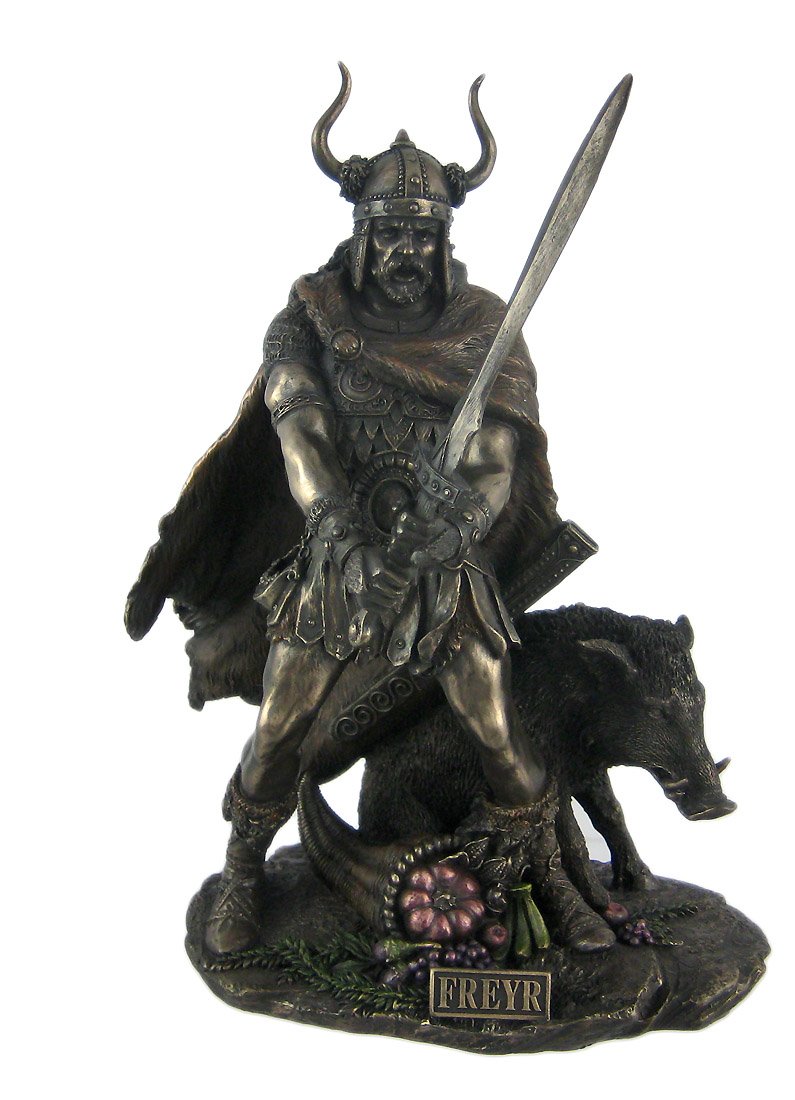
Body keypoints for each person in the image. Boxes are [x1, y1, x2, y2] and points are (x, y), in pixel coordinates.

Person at [127, 66, 607, 954]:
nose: (405, 252)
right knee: (280, 729)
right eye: (389, 233)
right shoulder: (306, 321)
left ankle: (545, 882)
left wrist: (454, 526)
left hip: (442, 564)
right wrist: (344, 537)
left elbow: (496, 458)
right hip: (335, 562)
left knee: (498, 732)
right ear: (360, 234)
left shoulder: (485, 328)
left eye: (423, 236)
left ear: (445, 240)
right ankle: (243, 871)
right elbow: (302, 438)